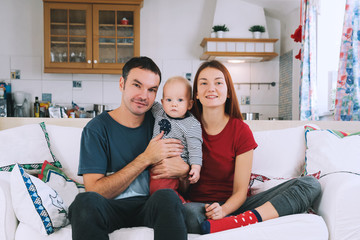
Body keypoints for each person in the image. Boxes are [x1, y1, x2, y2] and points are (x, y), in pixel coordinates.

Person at [184, 60, 321, 234]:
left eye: (218, 82)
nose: (211, 88)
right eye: (204, 83)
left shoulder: (240, 130)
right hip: (199, 208)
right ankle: (227, 223)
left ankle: (237, 222)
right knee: (185, 214)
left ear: (228, 92)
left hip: (234, 207)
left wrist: (224, 211)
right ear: (196, 93)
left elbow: (240, 192)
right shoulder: (185, 127)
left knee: (310, 185)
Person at [68, 56, 190, 240]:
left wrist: (184, 172)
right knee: (83, 202)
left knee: (168, 197)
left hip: (150, 204)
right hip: (110, 207)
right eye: (137, 85)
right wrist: (146, 158)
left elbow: (183, 186)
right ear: (122, 84)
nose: (144, 96)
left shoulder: (163, 124)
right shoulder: (96, 129)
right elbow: (95, 191)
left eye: (152, 90)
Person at [150, 76, 202, 203]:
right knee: (154, 189)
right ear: (162, 102)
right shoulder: (159, 112)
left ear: (189, 104)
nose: (174, 104)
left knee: (160, 189)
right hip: (158, 164)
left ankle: (180, 203)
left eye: (180, 100)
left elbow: (195, 148)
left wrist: (196, 168)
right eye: (169, 100)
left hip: (176, 167)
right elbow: (149, 102)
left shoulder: (192, 124)